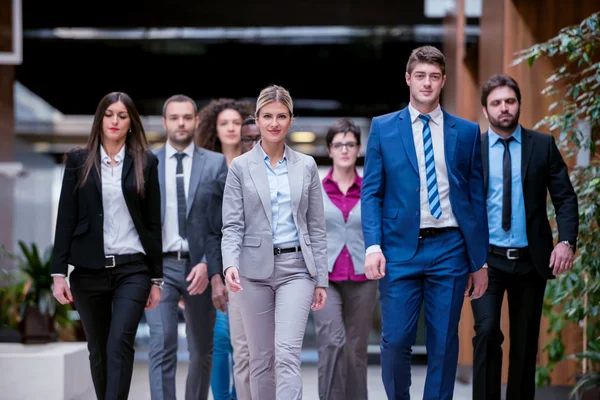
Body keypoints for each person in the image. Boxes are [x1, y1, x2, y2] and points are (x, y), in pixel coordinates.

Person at [361, 45, 489, 400]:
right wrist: (373, 245)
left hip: (450, 248)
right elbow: (371, 193)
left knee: (445, 342)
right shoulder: (384, 128)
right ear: (408, 79)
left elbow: (475, 201)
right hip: (399, 249)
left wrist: (478, 261)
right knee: (396, 339)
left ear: (444, 80)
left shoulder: (465, 132)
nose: (427, 83)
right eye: (420, 76)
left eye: (434, 76)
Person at [471, 74, 578, 400]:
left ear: (518, 104)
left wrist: (566, 241)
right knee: (487, 332)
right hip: (486, 261)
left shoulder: (542, 145)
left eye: (510, 101)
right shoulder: (472, 149)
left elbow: (565, 198)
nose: (504, 108)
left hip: (531, 261)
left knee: (525, 341)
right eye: (496, 103)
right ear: (486, 110)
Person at [51, 92, 163, 400]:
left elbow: (154, 224)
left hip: (133, 269)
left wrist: (156, 278)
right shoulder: (78, 161)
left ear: (131, 124)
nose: (115, 121)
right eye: (109, 114)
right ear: (100, 119)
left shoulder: (145, 162)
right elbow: (66, 218)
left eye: (122, 116)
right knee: (98, 350)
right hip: (88, 271)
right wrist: (58, 273)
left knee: (119, 343)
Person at [221, 84, 328, 400]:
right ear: (256, 119)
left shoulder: (306, 165)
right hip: (252, 272)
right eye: (267, 116)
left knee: (286, 353)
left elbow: (317, 228)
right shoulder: (240, 167)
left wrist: (320, 278)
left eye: (281, 116)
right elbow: (231, 225)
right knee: (261, 359)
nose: (274, 123)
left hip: (297, 269)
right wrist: (229, 264)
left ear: (291, 120)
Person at [144, 94, 228, 400]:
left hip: (199, 266)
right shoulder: (145, 162)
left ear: (195, 121)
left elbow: (221, 223)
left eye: (187, 117)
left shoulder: (216, 163)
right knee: (162, 341)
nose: (181, 123)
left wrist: (208, 263)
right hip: (160, 267)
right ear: (165, 122)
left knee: (201, 348)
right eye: (175, 117)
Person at [312, 118, 378, 400]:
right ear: (329, 149)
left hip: (363, 278)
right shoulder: (315, 187)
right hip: (325, 279)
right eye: (338, 144)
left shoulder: (370, 188)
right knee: (332, 343)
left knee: (356, 350)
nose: (344, 150)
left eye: (350, 144)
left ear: (358, 148)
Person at [196, 98, 254, 400]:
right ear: (214, 130)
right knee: (221, 337)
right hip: (214, 263)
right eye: (224, 123)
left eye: (236, 123)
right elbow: (202, 225)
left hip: (252, 263)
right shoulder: (207, 170)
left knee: (242, 342)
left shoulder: (255, 165)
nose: (231, 128)